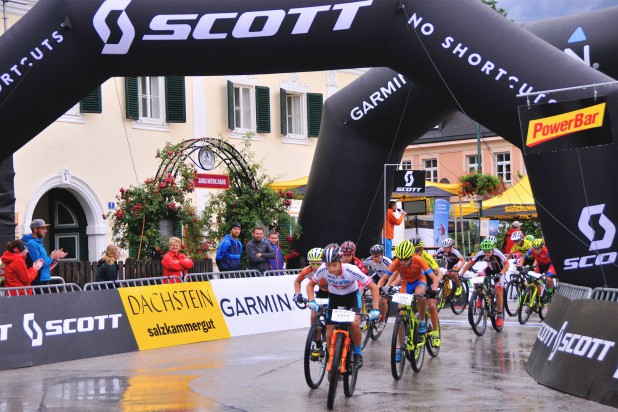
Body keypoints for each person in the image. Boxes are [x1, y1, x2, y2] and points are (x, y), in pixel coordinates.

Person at [306, 244, 380, 369]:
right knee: (329, 334)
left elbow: (373, 287)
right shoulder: (322, 269)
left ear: (341, 261)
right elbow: (310, 285)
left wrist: (376, 308)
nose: (332, 269)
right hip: (334, 298)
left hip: (352, 297)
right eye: (328, 265)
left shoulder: (351, 269)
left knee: (354, 324)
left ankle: (357, 353)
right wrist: (312, 300)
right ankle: (331, 359)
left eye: (334, 265)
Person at [378, 239, 440, 362]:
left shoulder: (419, 260)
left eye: (406, 259)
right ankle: (399, 347)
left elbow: (434, 277)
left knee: (419, 294)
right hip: (406, 283)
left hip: (419, 280)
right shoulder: (397, 262)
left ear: (412, 255)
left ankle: (422, 320)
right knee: (400, 313)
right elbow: (384, 279)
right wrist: (380, 290)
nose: (403, 262)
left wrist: (433, 290)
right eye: (401, 259)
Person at [460, 238, 509, 328]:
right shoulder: (480, 254)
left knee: (498, 292)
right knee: (477, 278)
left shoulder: (498, 253)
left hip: (500, 271)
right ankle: (479, 296)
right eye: (485, 252)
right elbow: (469, 263)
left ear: (492, 249)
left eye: (488, 252)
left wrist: (501, 273)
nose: (486, 254)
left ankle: (499, 315)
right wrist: (461, 274)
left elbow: (507, 264)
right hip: (489, 269)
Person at [22, 219, 67, 290]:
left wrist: (53, 257)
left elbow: (43, 260)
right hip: (37, 280)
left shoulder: (37, 243)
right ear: (36, 229)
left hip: (42, 279)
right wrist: (52, 257)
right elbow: (40, 263)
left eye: (45, 228)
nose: (46, 231)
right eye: (43, 228)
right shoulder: (32, 244)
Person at [362, 244, 393, 332]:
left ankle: (382, 321)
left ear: (382, 255)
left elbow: (394, 274)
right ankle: (363, 315)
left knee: (383, 301)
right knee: (363, 290)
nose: (375, 258)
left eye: (377, 256)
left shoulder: (387, 262)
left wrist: (388, 286)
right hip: (377, 276)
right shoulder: (368, 260)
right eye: (373, 256)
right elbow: (362, 267)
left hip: (388, 278)